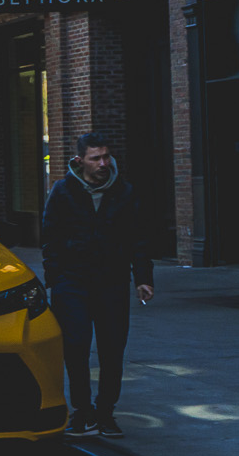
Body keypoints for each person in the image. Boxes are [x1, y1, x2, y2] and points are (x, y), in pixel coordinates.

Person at [40, 132, 155, 438]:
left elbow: (139, 239)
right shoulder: (63, 191)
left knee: (112, 350)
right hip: (72, 283)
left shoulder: (124, 192)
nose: (104, 163)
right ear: (80, 161)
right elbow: (50, 238)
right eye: (96, 158)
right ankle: (82, 411)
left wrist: (143, 278)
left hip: (111, 282)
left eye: (106, 156)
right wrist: (56, 280)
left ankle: (105, 412)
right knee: (75, 348)